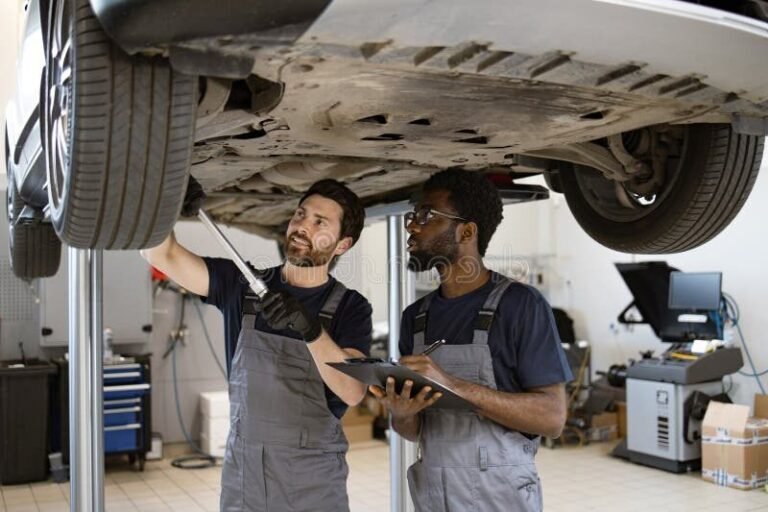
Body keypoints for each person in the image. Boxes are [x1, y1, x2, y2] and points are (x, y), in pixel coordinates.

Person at [141, 178, 373, 512]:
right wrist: (165, 199)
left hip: (313, 485)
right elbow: (162, 254)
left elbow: (352, 390)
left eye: (319, 222)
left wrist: (310, 330)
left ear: (342, 244)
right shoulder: (243, 286)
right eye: (300, 215)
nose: (302, 226)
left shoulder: (351, 307)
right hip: (244, 480)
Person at [370, 169, 572, 512]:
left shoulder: (521, 305)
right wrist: (401, 414)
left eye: (425, 215)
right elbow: (415, 430)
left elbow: (552, 418)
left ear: (467, 231)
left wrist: (453, 385)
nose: (411, 226)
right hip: (434, 494)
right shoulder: (415, 318)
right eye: (412, 215)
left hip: (499, 497)